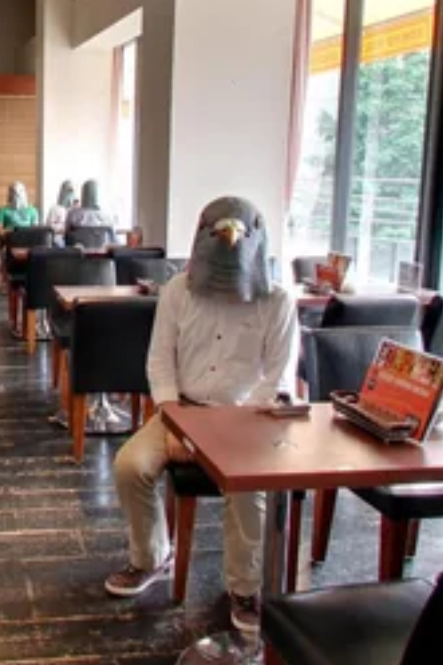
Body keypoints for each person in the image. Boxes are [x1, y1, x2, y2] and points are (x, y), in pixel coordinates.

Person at [104, 196, 298, 633]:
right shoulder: (177, 290)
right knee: (130, 466)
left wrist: (228, 430)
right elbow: (160, 362)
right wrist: (177, 422)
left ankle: (245, 588)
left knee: (248, 490)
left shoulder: (278, 300)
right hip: (182, 409)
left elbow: (278, 378)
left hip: (245, 420)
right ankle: (152, 556)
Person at [46, 181, 77, 245]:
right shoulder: (55, 209)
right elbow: (49, 226)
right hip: (58, 238)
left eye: (71, 192)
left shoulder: (75, 210)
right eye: (68, 192)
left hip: (71, 239)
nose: (69, 196)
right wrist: (61, 229)